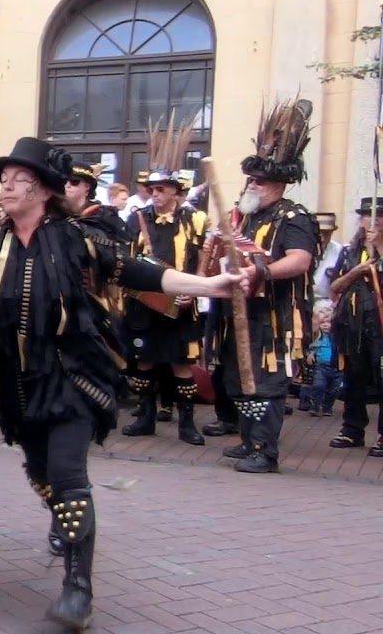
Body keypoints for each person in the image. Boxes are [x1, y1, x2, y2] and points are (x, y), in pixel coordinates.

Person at [0, 136, 242, 631]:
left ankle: (77, 586)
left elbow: (141, 272)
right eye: (5, 179)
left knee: (66, 474)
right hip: (19, 382)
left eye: (17, 180)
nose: (6, 187)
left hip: (74, 376)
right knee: (39, 473)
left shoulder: (75, 238)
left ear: (42, 191)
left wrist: (210, 285)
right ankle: (64, 522)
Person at [202, 98, 318, 472]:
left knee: (266, 380)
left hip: (275, 317)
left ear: (280, 183)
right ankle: (250, 441)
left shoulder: (294, 216)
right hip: (241, 312)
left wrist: (262, 272)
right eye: (250, 179)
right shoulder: (246, 218)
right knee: (239, 378)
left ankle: (266, 453)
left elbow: (301, 259)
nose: (252, 184)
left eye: (260, 181)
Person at [120, 134, 210, 446]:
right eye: (152, 189)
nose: (155, 194)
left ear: (176, 191)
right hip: (145, 303)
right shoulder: (137, 219)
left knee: (182, 362)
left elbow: (206, 259)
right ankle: (145, 418)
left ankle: (187, 424)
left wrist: (195, 290)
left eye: (161, 189)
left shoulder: (195, 219)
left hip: (183, 302)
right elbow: (127, 259)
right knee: (143, 359)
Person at [327, 198, 383, 453]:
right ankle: (352, 429)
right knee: (353, 378)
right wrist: (355, 271)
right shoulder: (348, 252)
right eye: (368, 217)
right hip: (352, 324)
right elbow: (334, 288)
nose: (373, 222)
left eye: (380, 217)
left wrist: (378, 248)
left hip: (380, 323)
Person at [298, 308, 340, 417]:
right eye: (323, 323)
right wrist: (310, 354)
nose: (326, 325)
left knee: (334, 389)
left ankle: (327, 406)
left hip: (336, 367)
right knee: (318, 386)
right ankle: (315, 405)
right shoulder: (317, 336)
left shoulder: (337, 336)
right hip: (321, 366)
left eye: (328, 322)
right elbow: (311, 347)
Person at [312, 212, 343, 312]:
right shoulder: (300, 249)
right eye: (319, 233)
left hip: (327, 304)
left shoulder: (339, 251)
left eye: (327, 233)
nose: (323, 237)